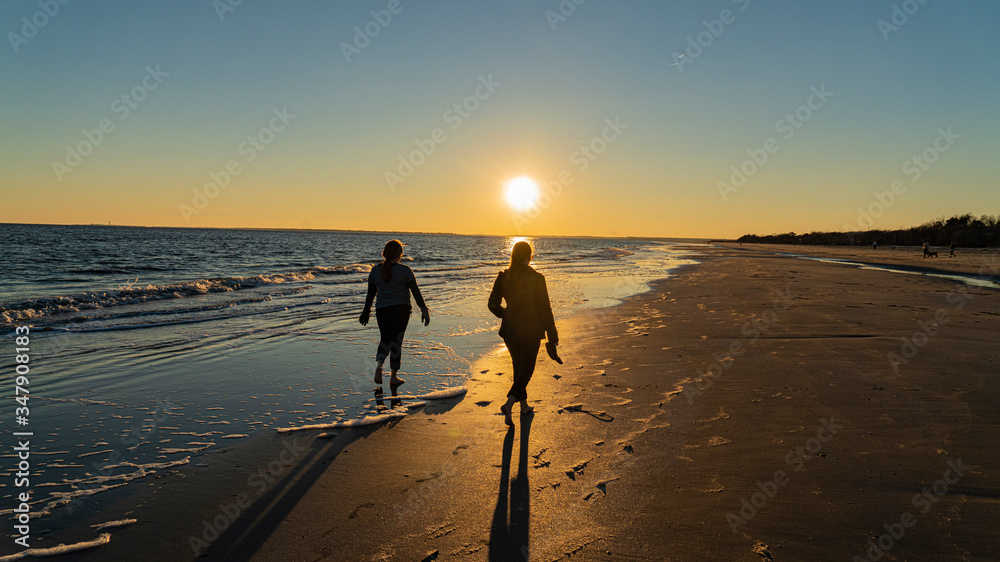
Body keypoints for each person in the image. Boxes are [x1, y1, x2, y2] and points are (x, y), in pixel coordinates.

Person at [488, 241, 559, 426]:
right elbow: (545, 309)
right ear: (530, 256)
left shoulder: (504, 276)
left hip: (510, 330)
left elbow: (492, 304)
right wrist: (553, 336)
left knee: (518, 368)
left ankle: (524, 406)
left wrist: (506, 314)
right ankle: (509, 403)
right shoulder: (537, 278)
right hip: (531, 330)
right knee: (526, 370)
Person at [359, 240, 430, 386]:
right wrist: (424, 310)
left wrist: (366, 311)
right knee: (396, 341)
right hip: (401, 310)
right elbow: (416, 292)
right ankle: (393, 377)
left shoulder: (375, 270)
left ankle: (379, 366)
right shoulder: (405, 270)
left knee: (385, 338)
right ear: (400, 254)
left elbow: (370, 295)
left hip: (382, 310)